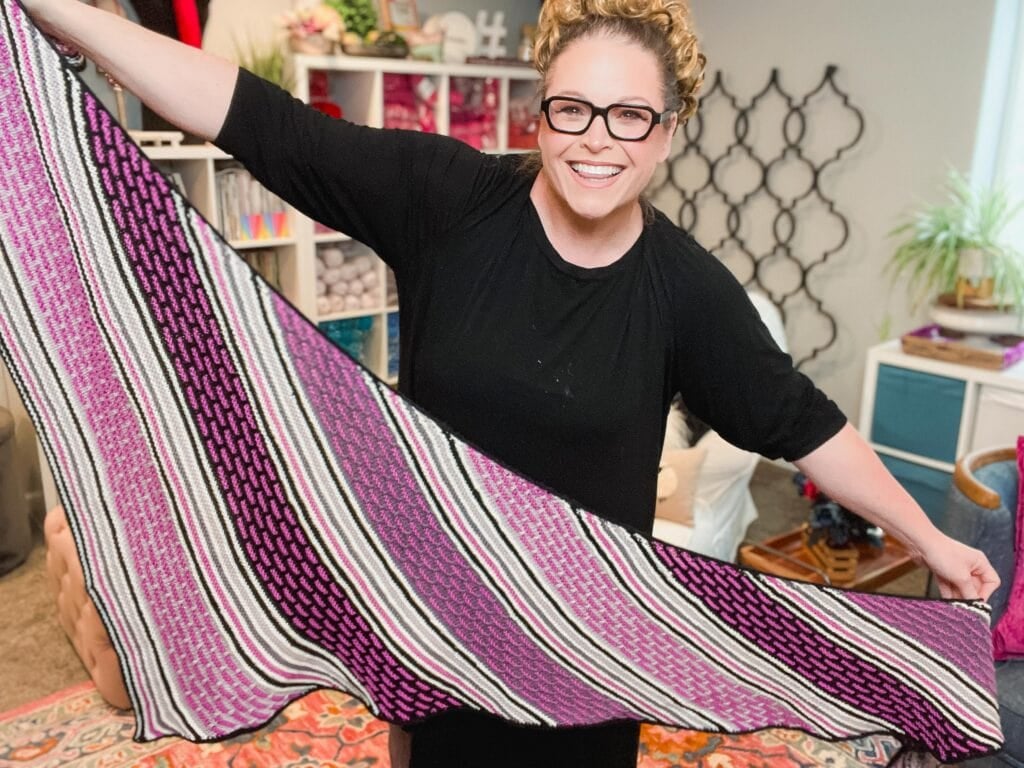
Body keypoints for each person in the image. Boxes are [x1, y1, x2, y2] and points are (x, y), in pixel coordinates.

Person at [20, 0, 1001, 765]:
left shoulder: (685, 291)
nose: (596, 140)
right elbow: (265, 123)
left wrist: (928, 541)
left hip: (587, 628)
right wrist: (60, 12)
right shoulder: (448, 202)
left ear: (666, 131)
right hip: (438, 606)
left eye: (630, 116)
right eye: (573, 109)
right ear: (543, 114)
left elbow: (798, 420)